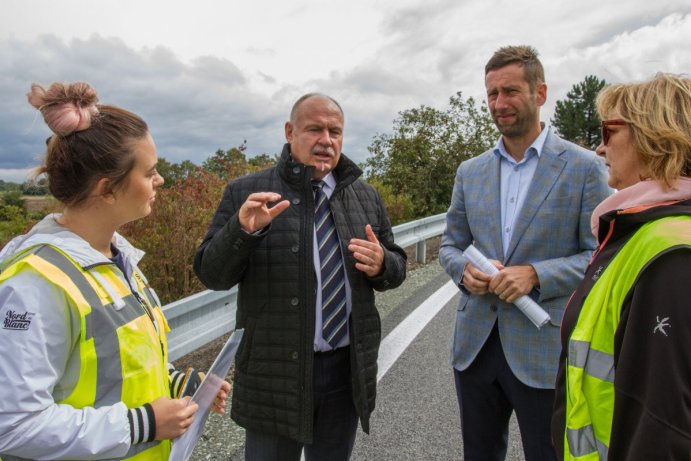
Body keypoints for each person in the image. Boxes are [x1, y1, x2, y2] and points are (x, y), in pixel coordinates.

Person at [0, 82, 230, 460]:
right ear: (107, 190)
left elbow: (116, 369)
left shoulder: (118, 260)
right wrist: (146, 423)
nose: (160, 181)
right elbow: (13, 426)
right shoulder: (35, 285)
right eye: (150, 172)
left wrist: (178, 384)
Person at [194, 93, 407, 461]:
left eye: (335, 131)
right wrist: (241, 232)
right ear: (290, 132)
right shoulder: (247, 193)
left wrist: (383, 263)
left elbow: (397, 267)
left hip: (344, 372)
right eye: (314, 129)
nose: (326, 140)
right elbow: (212, 274)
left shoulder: (364, 196)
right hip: (275, 377)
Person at [438, 45, 611, 461]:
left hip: (544, 346)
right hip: (476, 346)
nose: (499, 103)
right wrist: (465, 272)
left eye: (511, 91)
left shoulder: (585, 168)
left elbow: (601, 256)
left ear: (540, 93)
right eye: (492, 93)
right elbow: (450, 244)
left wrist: (535, 274)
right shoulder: (470, 171)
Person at [551, 73, 691, 460]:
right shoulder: (640, 231)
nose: (598, 148)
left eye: (609, 131)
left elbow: (663, 429)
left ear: (654, 136)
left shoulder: (670, 253)